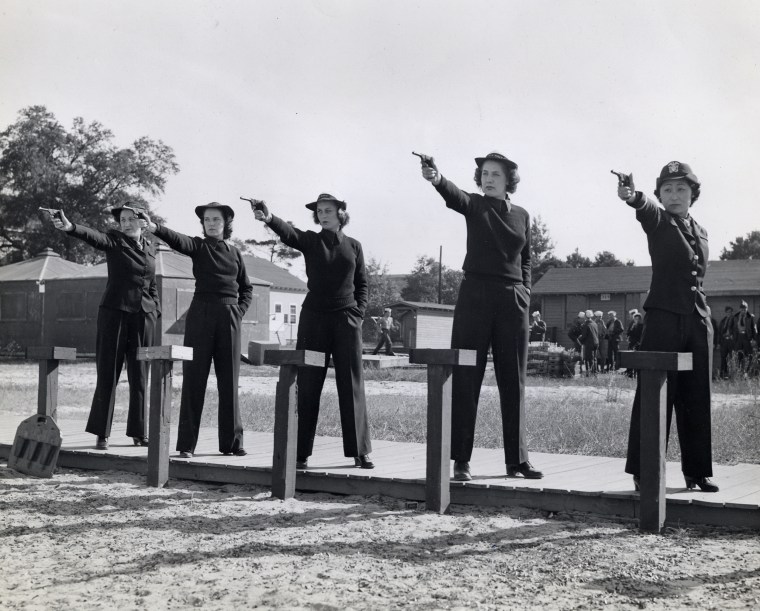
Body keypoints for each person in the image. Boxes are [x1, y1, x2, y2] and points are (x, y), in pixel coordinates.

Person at [419, 151, 542, 481]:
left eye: (495, 175)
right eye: (484, 173)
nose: (488, 178)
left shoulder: (522, 215)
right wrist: (436, 178)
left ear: (508, 180)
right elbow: (453, 194)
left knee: (513, 380)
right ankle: (461, 460)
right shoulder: (475, 204)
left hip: (512, 300)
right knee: (466, 376)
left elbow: (527, 259)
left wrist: (525, 292)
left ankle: (517, 461)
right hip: (475, 297)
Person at [250, 193, 375, 469]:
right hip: (314, 319)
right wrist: (268, 217)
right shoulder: (310, 240)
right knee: (307, 385)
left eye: (329, 210)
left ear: (341, 213)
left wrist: (359, 313)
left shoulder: (354, 246)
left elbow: (363, 283)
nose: (323, 215)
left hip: (347, 319)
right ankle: (300, 452)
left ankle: (360, 451)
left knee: (351, 383)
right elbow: (289, 233)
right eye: (319, 211)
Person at [617, 161, 718, 492]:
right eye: (668, 189)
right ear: (660, 194)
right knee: (654, 394)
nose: (674, 195)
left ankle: (697, 472)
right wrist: (634, 197)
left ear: (693, 194)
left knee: (696, 396)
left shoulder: (701, 230)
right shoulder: (658, 220)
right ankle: (644, 472)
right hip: (663, 318)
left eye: (682, 189)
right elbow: (644, 208)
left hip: (698, 320)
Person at [142, 204, 252, 458]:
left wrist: (238, 311)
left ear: (226, 223)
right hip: (200, 316)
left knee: (230, 382)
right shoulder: (199, 247)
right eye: (207, 220)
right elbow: (177, 240)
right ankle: (186, 445)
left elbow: (246, 288)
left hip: (229, 318)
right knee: (194, 380)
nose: (211, 224)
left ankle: (232, 443)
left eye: (216, 220)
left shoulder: (235, 253)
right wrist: (155, 227)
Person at [47, 205, 159, 449]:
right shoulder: (114, 240)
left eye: (132, 219)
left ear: (143, 222)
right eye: (123, 220)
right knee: (108, 373)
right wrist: (70, 227)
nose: (127, 223)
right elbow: (93, 236)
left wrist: (155, 309)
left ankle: (139, 433)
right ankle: (102, 433)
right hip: (114, 315)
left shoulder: (151, 247)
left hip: (143, 318)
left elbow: (151, 284)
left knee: (140, 376)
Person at [733, 301, 757, 370]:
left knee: (749, 355)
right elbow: (734, 328)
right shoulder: (736, 316)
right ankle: (739, 371)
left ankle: (747, 372)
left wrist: (754, 339)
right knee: (738, 354)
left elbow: (754, 328)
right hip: (739, 337)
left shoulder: (750, 317)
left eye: (745, 309)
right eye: (742, 309)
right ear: (740, 309)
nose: (743, 310)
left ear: (747, 308)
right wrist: (734, 337)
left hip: (747, 337)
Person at [579, 309, 599, 376]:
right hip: (596, 342)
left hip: (589, 343)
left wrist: (579, 340)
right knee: (594, 358)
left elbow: (584, 336)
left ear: (585, 316)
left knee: (588, 358)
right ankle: (595, 371)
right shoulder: (594, 323)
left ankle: (589, 372)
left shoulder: (586, 325)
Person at [717, 306, 736, 379]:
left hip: (731, 341)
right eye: (728, 312)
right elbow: (719, 332)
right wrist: (719, 343)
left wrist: (733, 336)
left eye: (730, 312)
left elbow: (736, 330)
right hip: (724, 341)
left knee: (732, 357)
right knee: (723, 358)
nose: (729, 313)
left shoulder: (735, 319)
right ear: (725, 312)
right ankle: (723, 374)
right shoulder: (723, 320)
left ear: (732, 312)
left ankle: (731, 374)